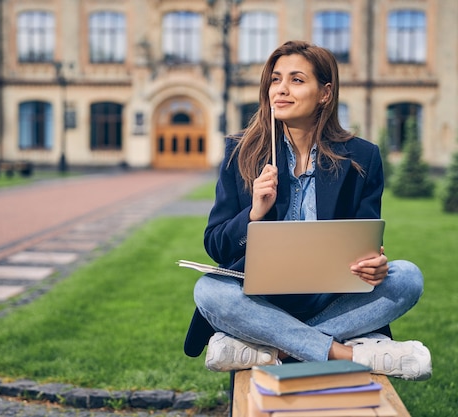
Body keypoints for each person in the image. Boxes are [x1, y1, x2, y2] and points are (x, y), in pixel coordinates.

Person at [183, 40, 432, 381]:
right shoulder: (240, 152)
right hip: (260, 299)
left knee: (407, 277)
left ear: (325, 93)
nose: (281, 90)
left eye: (296, 80)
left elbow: (364, 240)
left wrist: (373, 266)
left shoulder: (362, 158)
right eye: (275, 79)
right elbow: (216, 246)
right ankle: (347, 354)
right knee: (208, 291)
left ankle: (272, 349)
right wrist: (254, 213)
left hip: (330, 298)